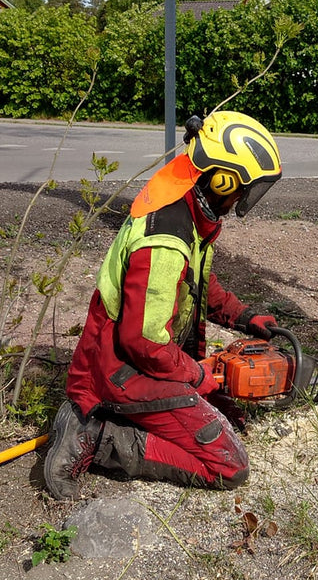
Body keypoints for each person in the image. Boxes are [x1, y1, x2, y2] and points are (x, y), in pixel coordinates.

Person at [43, 111, 283, 499]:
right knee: (229, 465)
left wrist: (244, 316)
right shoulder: (167, 237)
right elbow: (145, 341)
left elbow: (195, 284)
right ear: (223, 179)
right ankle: (98, 434)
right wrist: (195, 374)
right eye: (243, 188)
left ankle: (123, 420)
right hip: (121, 369)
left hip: (143, 362)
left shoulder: (184, 202)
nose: (242, 199)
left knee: (230, 418)